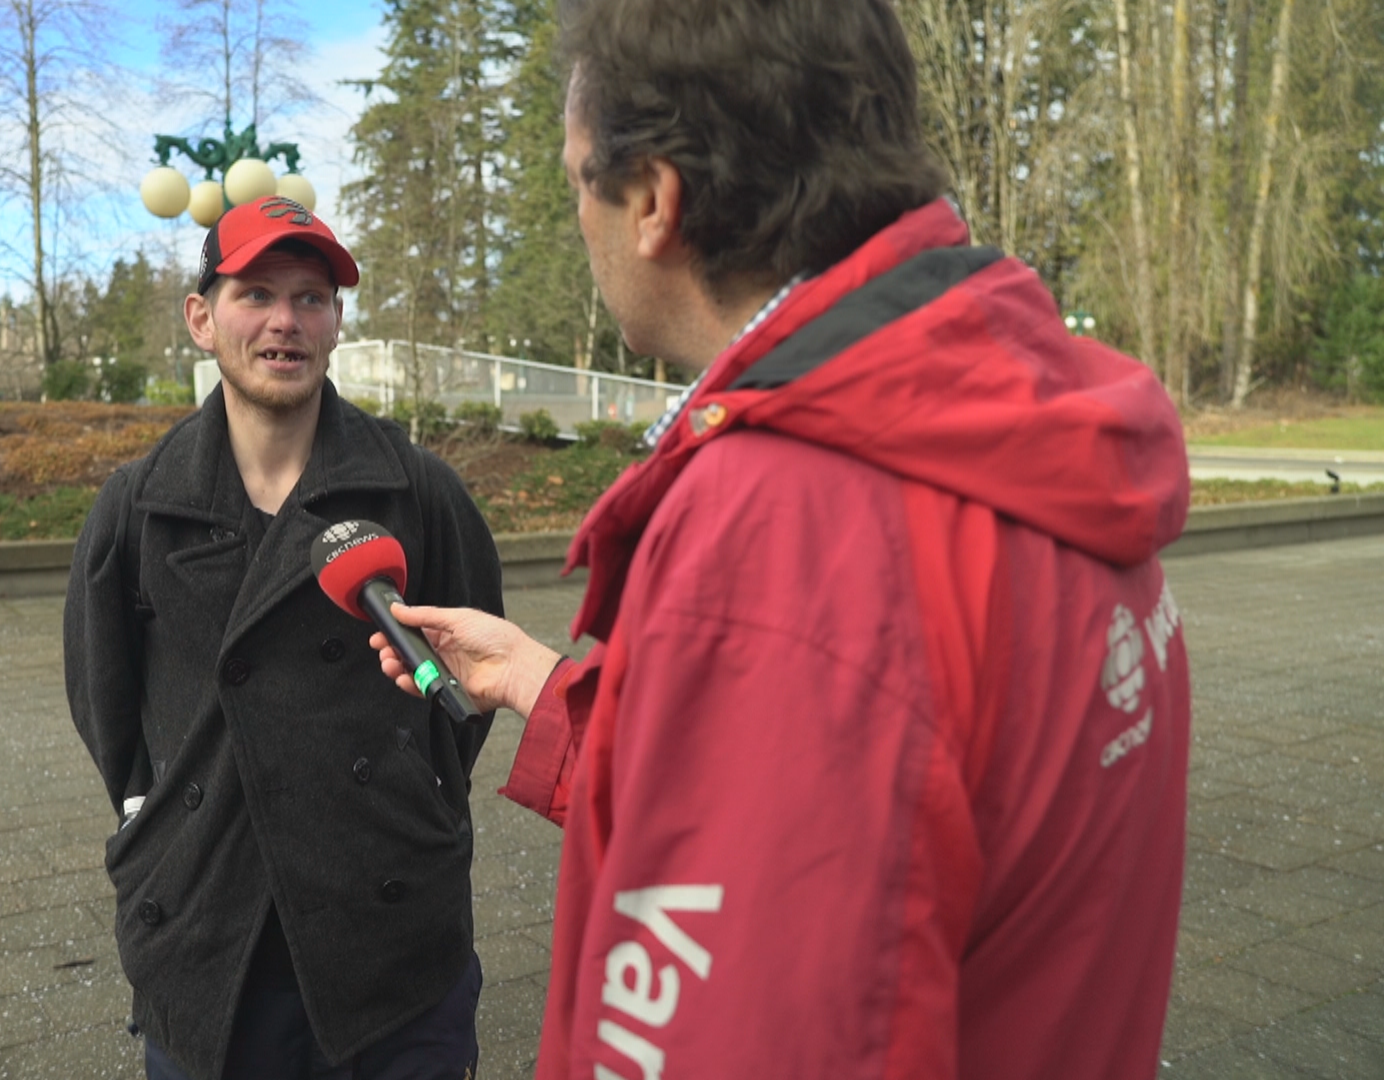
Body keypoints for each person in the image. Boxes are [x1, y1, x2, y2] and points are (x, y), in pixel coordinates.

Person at [369, 1, 1193, 1077]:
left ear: (655, 200)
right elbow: (856, 807)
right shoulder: (1009, 424)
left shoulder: (789, 532)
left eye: (579, 179)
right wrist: (541, 682)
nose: (581, 217)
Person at [63, 194, 505, 1080]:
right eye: (255, 293)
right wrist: (165, 825)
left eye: (311, 297)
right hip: (209, 932)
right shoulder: (139, 506)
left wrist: (409, 805)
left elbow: (463, 699)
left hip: (389, 935)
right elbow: (107, 709)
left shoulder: (418, 492)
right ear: (202, 318)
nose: (284, 321)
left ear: (337, 323)